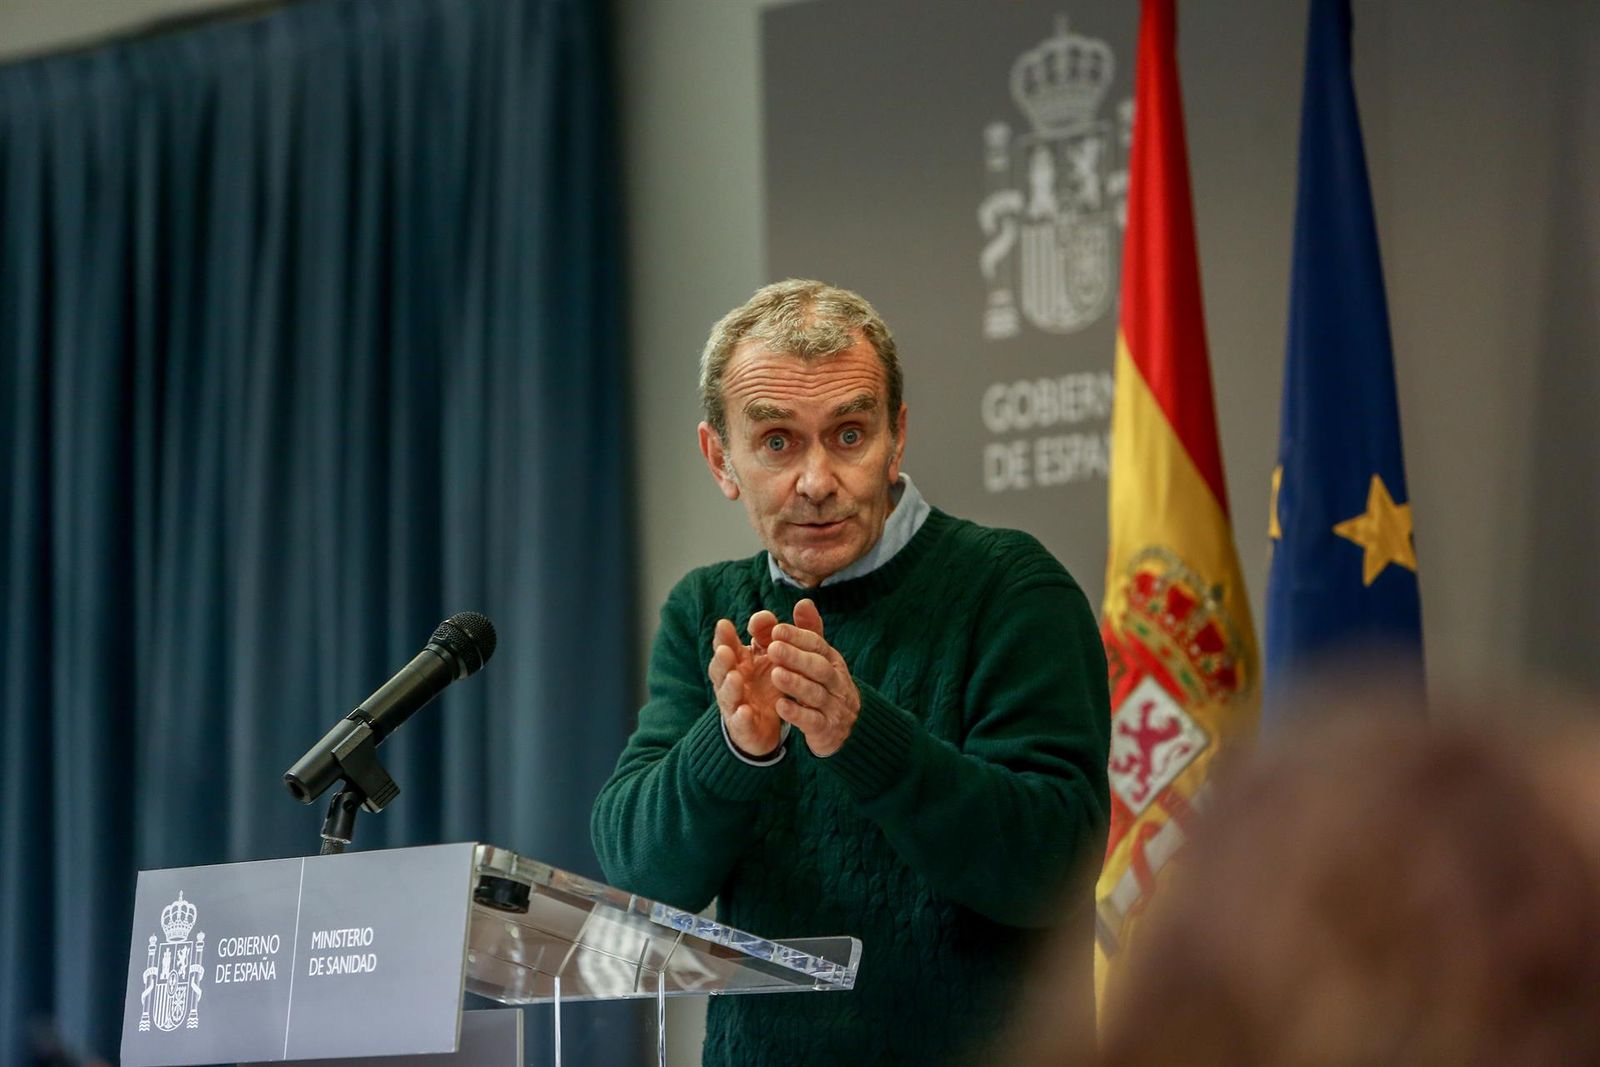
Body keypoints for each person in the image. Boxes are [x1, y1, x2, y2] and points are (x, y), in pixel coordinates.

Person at [589, 279, 1111, 1066]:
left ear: (897, 437)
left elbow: (1052, 866)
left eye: (849, 434)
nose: (816, 480)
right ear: (719, 457)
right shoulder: (708, 611)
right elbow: (639, 868)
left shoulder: (1010, 589)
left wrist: (861, 734)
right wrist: (733, 751)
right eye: (776, 442)